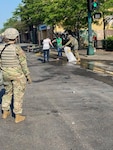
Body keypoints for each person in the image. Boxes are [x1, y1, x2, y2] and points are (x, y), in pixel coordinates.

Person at [0, 28, 32, 123]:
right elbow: (23, 63)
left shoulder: (1, 48)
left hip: (5, 74)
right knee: (18, 94)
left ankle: (5, 112)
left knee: (7, 92)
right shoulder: (17, 48)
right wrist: (28, 76)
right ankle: (18, 116)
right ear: (16, 37)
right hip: (17, 74)